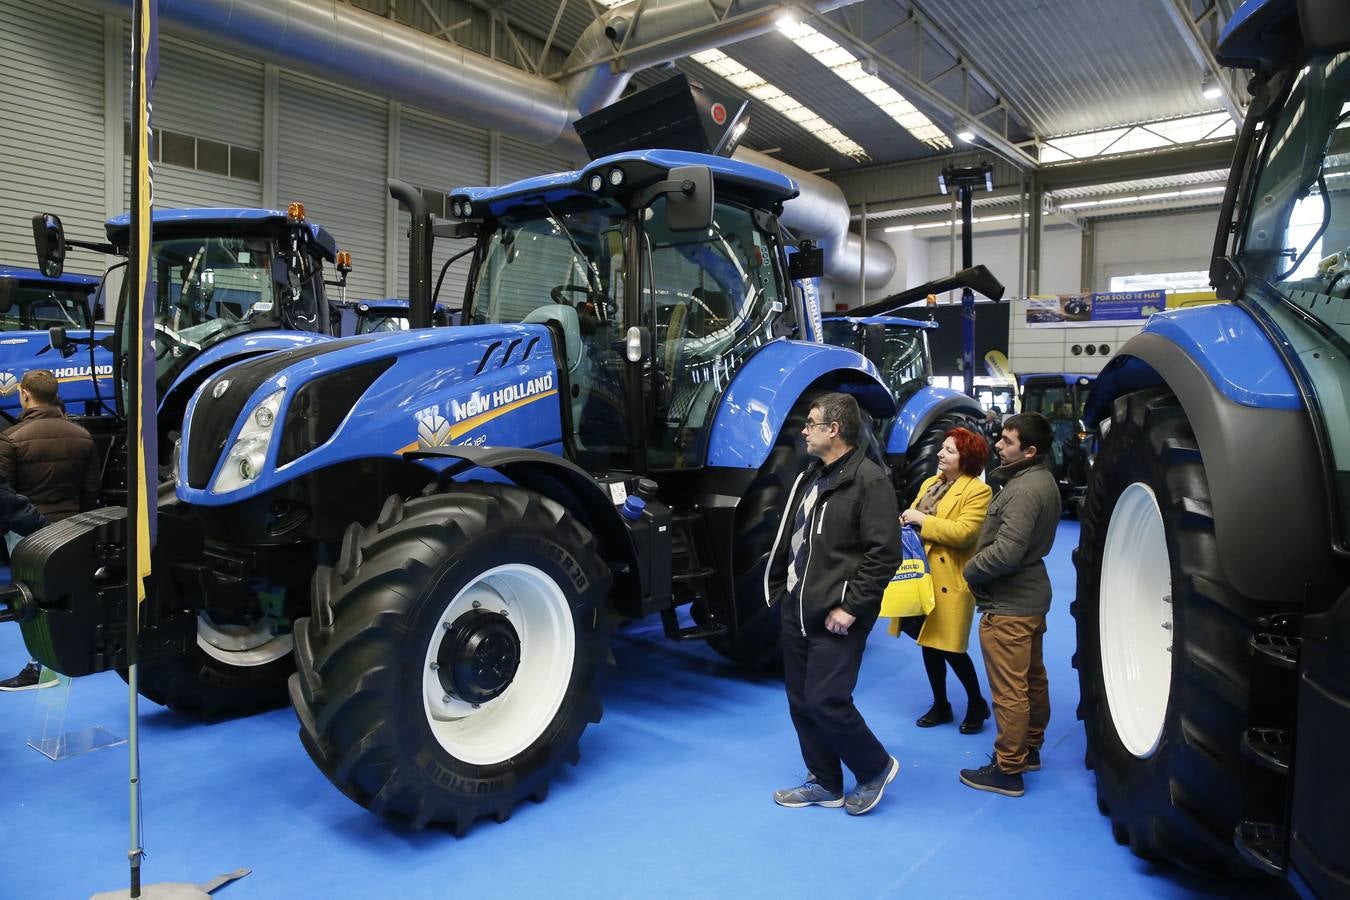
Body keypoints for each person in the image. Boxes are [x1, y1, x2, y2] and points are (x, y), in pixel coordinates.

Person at [765, 392, 902, 816]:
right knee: (800, 701)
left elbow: (885, 554)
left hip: (837, 615)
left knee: (826, 699)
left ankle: (875, 767)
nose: (804, 431)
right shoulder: (812, 476)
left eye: (811, 423)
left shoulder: (870, 481)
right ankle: (825, 781)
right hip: (797, 608)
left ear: (834, 429)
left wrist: (852, 607)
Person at [958, 411, 1061, 797]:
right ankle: (1029, 750)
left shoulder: (1022, 490)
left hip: (1010, 605)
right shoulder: (1041, 480)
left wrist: (970, 569)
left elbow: (1006, 552)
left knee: (1009, 690)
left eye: (1007, 441)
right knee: (1032, 679)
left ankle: (1009, 769)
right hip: (1029, 599)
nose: (998, 445)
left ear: (1029, 451)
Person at [0, 369, 101, 691]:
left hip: (26, 533)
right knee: (70, 595)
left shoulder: (10, 439)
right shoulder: (82, 436)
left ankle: (39, 670)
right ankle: (71, 658)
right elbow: (91, 491)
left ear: (25, 394)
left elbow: (5, 495)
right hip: (72, 528)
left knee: (31, 603)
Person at [895, 426, 993, 734]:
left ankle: (976, 702)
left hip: (950, 579)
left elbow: (964, 534)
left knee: (951, 647)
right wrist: (906, 518)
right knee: (928, 642)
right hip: (921, 575)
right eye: (943, 448)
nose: (940, 453)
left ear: (966, 458)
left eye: (949, 450)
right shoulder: (930, 483)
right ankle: (941, 704)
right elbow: (913, 513)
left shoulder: (978, 491)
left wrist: (922, 520)